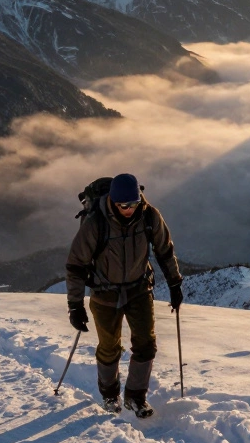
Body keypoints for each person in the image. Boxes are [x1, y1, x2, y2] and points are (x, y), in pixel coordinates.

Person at [65, 173, 183, 418]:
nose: (129, 210)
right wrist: (75, 305)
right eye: (123, 205)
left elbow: (164, 250)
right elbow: (76, 265)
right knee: (110, 348)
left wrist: (175, 283)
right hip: (104, 293)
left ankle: (135, 398)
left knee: (146, 345)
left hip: (139, 289)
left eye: (133, 204)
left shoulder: (150, 216)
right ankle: (110, 395)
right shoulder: (96, 223)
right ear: (113, 202)